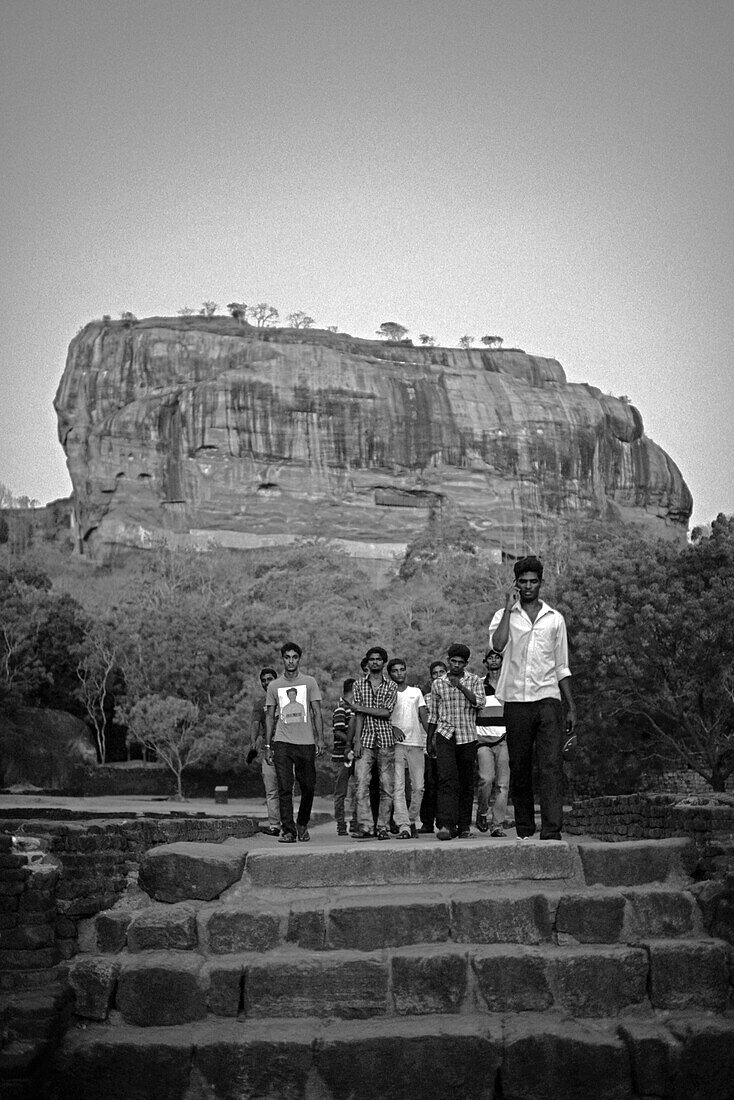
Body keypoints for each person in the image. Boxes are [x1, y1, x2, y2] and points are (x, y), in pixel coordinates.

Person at [489, 555, 577, 841]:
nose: (528, 587)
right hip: (516, 701)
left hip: (548, 699)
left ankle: (551, 830)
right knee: (520, 765)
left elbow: (562, 666)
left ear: (541, 583)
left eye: (533, 582)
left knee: (551, 765)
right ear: (516, 584)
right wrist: (506, 608)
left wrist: (570, 707)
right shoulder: (505, 616)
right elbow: (498, 646)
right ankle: (525, 829)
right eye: (523, 582)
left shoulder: (555, 619)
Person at [264, 642, 324, 843]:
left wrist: (320, 739)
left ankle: (302, 823)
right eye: (287, 657)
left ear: (299, 659)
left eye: (294, 657)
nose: (291, 661)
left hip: (305, 742)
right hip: (282, 742)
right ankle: (288, 830)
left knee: (308, 786)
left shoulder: (309, 682)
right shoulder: (274, 686)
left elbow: (316, 712)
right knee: (284, 787)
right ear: (282, 659)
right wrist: (267, 745)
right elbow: (270, 717)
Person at [426, 644, 484, 840]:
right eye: (454, 661)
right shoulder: (438, 684)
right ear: (449, 660)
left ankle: (464, 825)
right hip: (445, 735)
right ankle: (446, 825)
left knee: (466, 782)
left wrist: (460, 686)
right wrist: (430, 739)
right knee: (446, 780)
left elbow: (479, 702)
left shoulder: (474, 680)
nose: (457, 665)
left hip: (467, 736)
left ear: (466, 663)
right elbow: (433, 715)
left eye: (461, 662)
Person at [349, 646, 399, 840]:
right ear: (368, 662)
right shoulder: (359, 685)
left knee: (387, 786)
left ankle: (383, 826)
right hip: (366, 740)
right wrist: (357, 741)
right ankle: (366, 826)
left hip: (386, 740)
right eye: (372, 659)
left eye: (379, 659)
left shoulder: (391, 686)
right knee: (361, 784)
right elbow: (358, 715)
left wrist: (360, 707)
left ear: (384, 662)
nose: (375, 662)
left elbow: (386, 712)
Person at [387, 658, 428, 839]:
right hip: (395, 745)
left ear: (406, 671)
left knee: (419, 787)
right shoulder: (387, 693)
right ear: (390, 674)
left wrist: (432, 738)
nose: (399, 674)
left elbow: (423, 717)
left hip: (416, 742)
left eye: (401, 670)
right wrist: (392, 728)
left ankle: (411, 819)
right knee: (399, 786)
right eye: (394, 671)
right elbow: (382, 716)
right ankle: (403, 825)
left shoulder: (416, 692)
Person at [475, 650, 510, 838]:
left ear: (502, 661)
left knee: (503, 785)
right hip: (482, 741)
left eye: (497, 657)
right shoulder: (478, 684)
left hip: (504, 740)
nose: (494, 660)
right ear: (485, 662)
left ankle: (497, 825)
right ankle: (482, 812)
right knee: (486, 780)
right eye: (491, 657)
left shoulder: (509, 685)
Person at [248, 666, 280, 836]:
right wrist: (253, 743)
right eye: (264, 680)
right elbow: (255, 724)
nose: (267, 683)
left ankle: (289, 824)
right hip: (268, 750)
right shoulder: (260, 704)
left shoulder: (285, 698)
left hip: (285, 749)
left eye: (270, 679)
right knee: (271, 789)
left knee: (286, 788)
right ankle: (275, 825)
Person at [418, 660, 448, 833]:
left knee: (445, 784)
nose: (438, 676)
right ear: (431, 678)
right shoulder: (425, 699)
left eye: (441, 672)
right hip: (427, 747)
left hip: (448, 745)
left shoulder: (452, 695)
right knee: (428, 785)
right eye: (435, 673)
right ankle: (427, 822)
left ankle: (445, 821)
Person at [332, 678, 357, 837]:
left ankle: (355, 822)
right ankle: (341, 824)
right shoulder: (341, 709)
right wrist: (352, 741)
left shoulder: (353, 708)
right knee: (341, 792)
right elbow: (337, 731)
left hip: (354, 755)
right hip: (341, 756)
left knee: (357, 791)